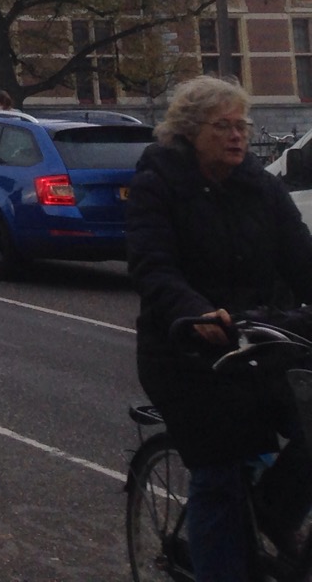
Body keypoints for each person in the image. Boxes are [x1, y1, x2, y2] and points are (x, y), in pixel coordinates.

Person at [129, 76, 312, 582]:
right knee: (220, 473)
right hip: (187, 353)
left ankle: (273, 513)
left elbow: (302, 260)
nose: (237, 135)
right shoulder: (158, 186)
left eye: (242, 125)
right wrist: (194, 311)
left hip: (263, 343)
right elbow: (152, 266)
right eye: (223, 126)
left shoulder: (263, 188)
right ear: (191, 132)